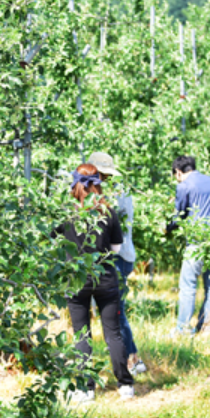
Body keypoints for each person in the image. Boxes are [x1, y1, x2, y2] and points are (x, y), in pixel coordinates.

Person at [55, 164, 135, 401]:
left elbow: (53, 241)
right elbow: (116, 248)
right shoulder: (106, 212)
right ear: (97, 183)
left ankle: (85, 388)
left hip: (76, 279)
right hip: (105, 277)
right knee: (112, 332)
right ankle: (125, 385)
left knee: (82, 334)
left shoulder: (66, 213)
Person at [87, 152, 147, 376]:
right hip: (118, 256)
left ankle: (133, 360)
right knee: (113, 312)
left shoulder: (112, 194)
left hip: (117, 257)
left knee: (115, 312)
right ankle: (130, 358)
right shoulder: (114, 190)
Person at [168, 155, 210, 335]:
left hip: (196, 242)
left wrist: (168, 227)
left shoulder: (184, 186)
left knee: (188, 286)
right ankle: (206, 326)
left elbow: (180, 214)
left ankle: (183, 328)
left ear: (178, 172)